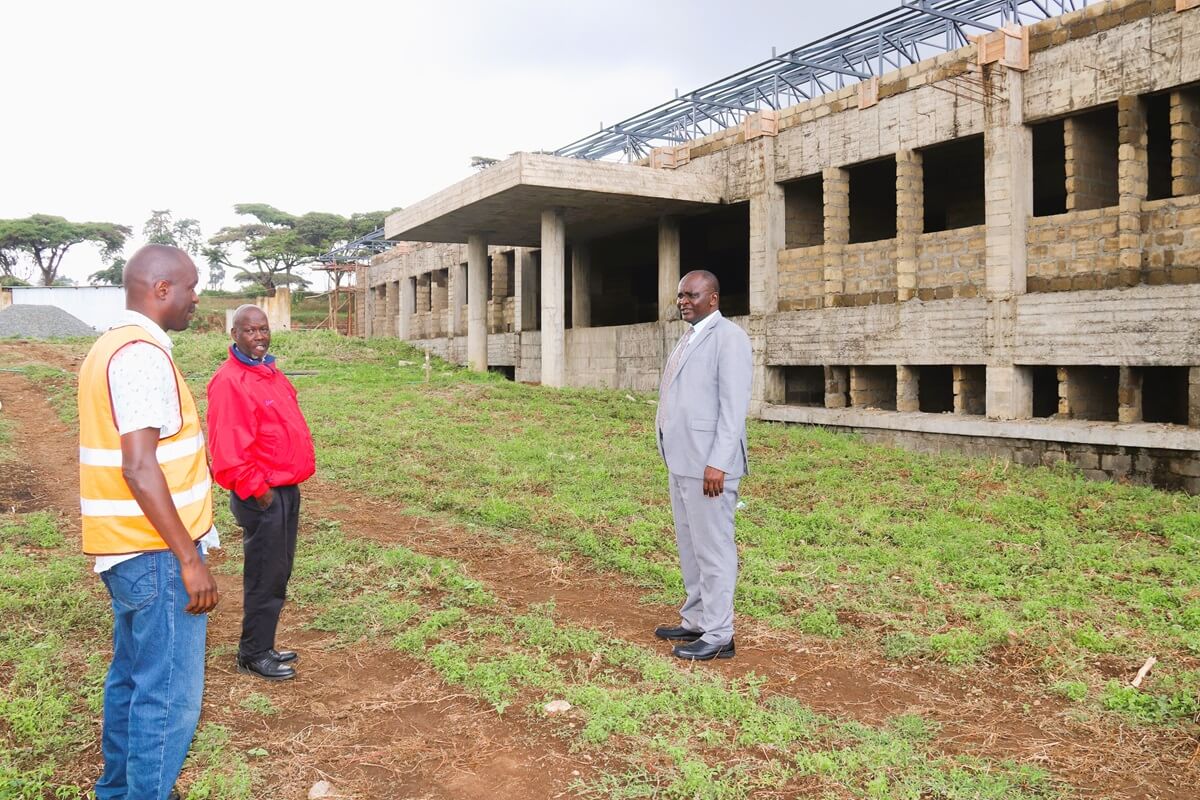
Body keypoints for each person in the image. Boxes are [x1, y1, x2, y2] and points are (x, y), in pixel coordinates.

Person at [78, 244, 219, 800]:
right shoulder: (140, 355)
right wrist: (189, 559)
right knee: (168, 696)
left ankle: (118, 790)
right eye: (190, 287)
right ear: (161, 289)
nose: (195, 298)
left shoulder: (108, 346)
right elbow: (139, 467)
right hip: (157, 556)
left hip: (129, 552)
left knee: (132, 681)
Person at [206, 304, 315, 681]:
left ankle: (263, 644)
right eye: (250, 331)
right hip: (261, 493)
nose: (259, 337)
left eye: (263, 329)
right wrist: (259, 490)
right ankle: (252, 654)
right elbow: (228, 450)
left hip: (284, 488)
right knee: (263, 574)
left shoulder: (268, 373)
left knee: (278, 571)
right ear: (234, 335)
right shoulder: (230, 381)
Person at [653, 270, 752, 661]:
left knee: (714, 550)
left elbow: (733, 409)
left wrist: (719, 463)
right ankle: (696, 619)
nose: (683, 301)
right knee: (691, 546)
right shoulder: (690, 336)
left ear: (713, 298)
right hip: (682, 461)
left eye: (692, 295)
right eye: (680, 295)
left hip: (709, 467)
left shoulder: (729, 339)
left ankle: (719, 634)